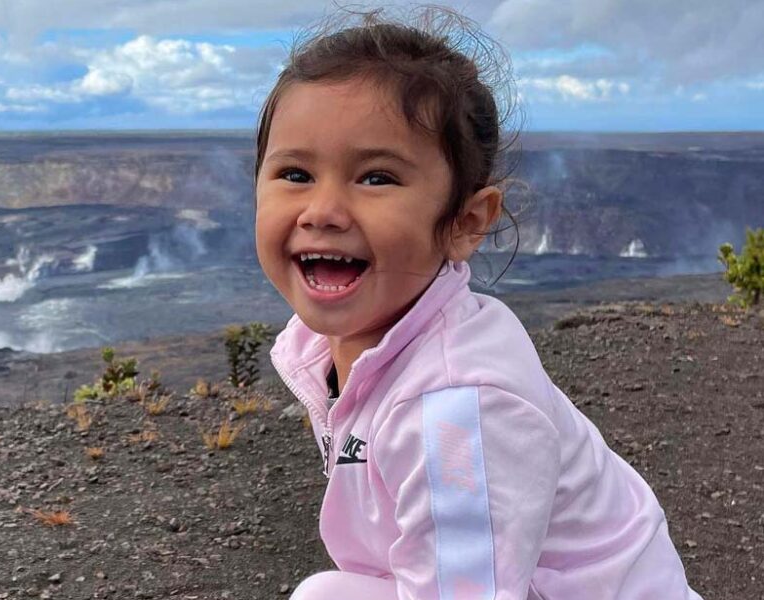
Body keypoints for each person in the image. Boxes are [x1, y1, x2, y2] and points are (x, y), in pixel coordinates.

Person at [255, 6, 704, 600]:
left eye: (377, 178)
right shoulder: (343, 351)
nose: (323, 210)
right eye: (294, 173)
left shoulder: (456, 409)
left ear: (465, 223)